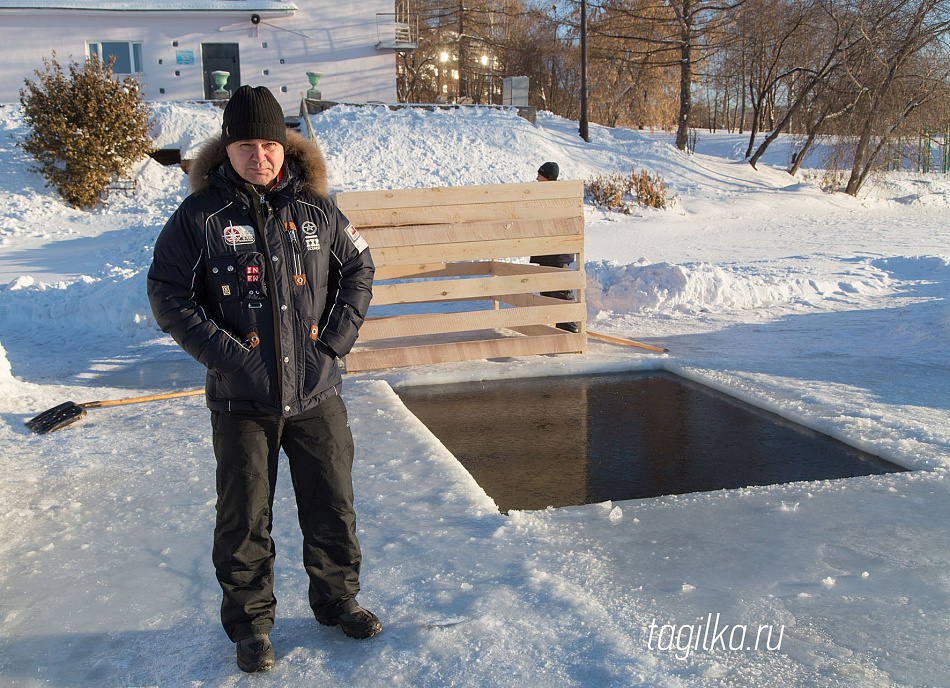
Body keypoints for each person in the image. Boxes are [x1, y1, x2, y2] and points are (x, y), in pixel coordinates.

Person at [147, 85, 378, 673]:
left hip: (317, 392)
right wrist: (231, 358)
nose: (259, 156)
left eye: (269, 144)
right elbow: (168, 294)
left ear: (284, 146)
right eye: (245, 145)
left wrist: (333, 345)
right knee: (245, 516)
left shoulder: (318, 209)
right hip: (241, 400)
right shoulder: (200, 216)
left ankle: (338, 600)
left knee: (332, 503)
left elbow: (359, 268)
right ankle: (250, 625)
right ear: (228, 149)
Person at [529, 162, 579, 333]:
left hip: (557, 252)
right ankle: (557, 329)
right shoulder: (543, 196)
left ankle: (570, 330)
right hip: (545, 252)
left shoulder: (558, 197)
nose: (536, 178)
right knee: (547, 292)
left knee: (561, 291)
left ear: (547, 177)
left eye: (540, 175)